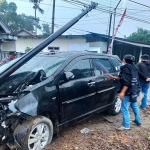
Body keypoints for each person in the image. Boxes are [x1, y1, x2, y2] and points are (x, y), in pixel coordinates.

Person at [108, 54, 141, 131]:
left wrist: (122, 92)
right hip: (135, 90)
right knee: (134, 105)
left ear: (124, 60)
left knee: (124, 108)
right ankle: (138, 121)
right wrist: (113, 77)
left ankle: (126, 125)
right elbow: (123, 78)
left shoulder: (125, 69)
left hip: (129, 91)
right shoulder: (133, 67)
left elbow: (126, 82)